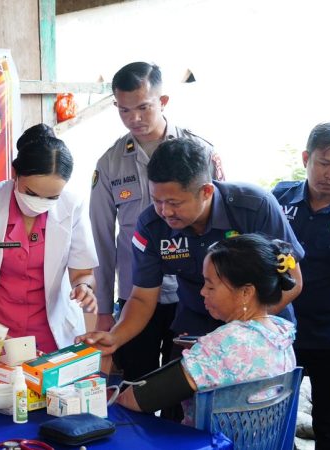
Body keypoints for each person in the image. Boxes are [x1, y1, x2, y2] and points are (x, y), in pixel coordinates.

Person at [81, 137, 304, 360]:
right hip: (196, 325)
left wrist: (239, 330)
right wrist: (116, 337)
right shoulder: (152, 226)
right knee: (175, 390)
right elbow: (142, 298)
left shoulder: (255, 207)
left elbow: (292, 281)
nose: (165, 211)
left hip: (259, 327)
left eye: (174, 203)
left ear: (206, 191)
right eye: (156, 200)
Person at [90, 62, 225, 382]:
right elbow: (101, 238)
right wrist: (104, 311)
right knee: (136, 383)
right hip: (136, 293)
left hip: (193, 295)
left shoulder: (200, 152)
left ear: (162, 102)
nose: (133, 118)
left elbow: (221, 224)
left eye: (142, 107)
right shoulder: (110, 162)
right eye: (123, 110)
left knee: (186, 387)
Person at [115, 234, 297, 427]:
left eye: (210, 286)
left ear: (246, 292)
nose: (202, 292)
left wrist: (206, 351)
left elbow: (136, 400)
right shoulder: (281, 332)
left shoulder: (225, 344)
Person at [0, 124, 99, 353]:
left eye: (52, 197)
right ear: (15, 173)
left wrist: (84, 287)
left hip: (50, 333)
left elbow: (83, 273)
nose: (40, 203)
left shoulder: (72, 205)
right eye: (32, 193)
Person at [272, 122, 330, 450]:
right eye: (324, 163)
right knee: (272, 421)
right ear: (306, 158)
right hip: (279, 333)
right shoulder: (278, 199)